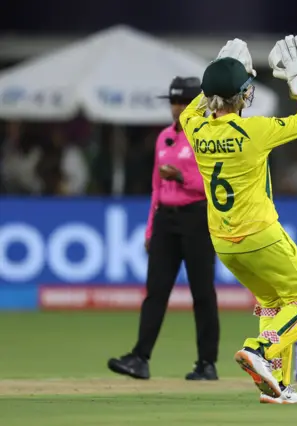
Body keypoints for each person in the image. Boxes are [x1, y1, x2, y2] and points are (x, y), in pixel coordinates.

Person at [180, 37, 297, 404]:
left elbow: (197, 104)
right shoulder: (254, 131)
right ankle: (260, 350)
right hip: (261, 234)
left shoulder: (193, 127)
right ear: (243, 95)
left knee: (271, 300)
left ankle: (276, 385)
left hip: (223, 242)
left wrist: (220, 69)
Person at [108, 76, 221, 381]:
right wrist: (149, 229)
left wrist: (183, 178)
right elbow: (157, 188)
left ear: (197, 103)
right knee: (155, 291)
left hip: (197, 218)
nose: (177, 108)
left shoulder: (208, 136)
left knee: (202, 293)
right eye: (174, 102)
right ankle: (140, 358)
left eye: (183, 102)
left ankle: (207, 364)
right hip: (165, 220)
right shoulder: (164, 138)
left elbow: (213, 184)